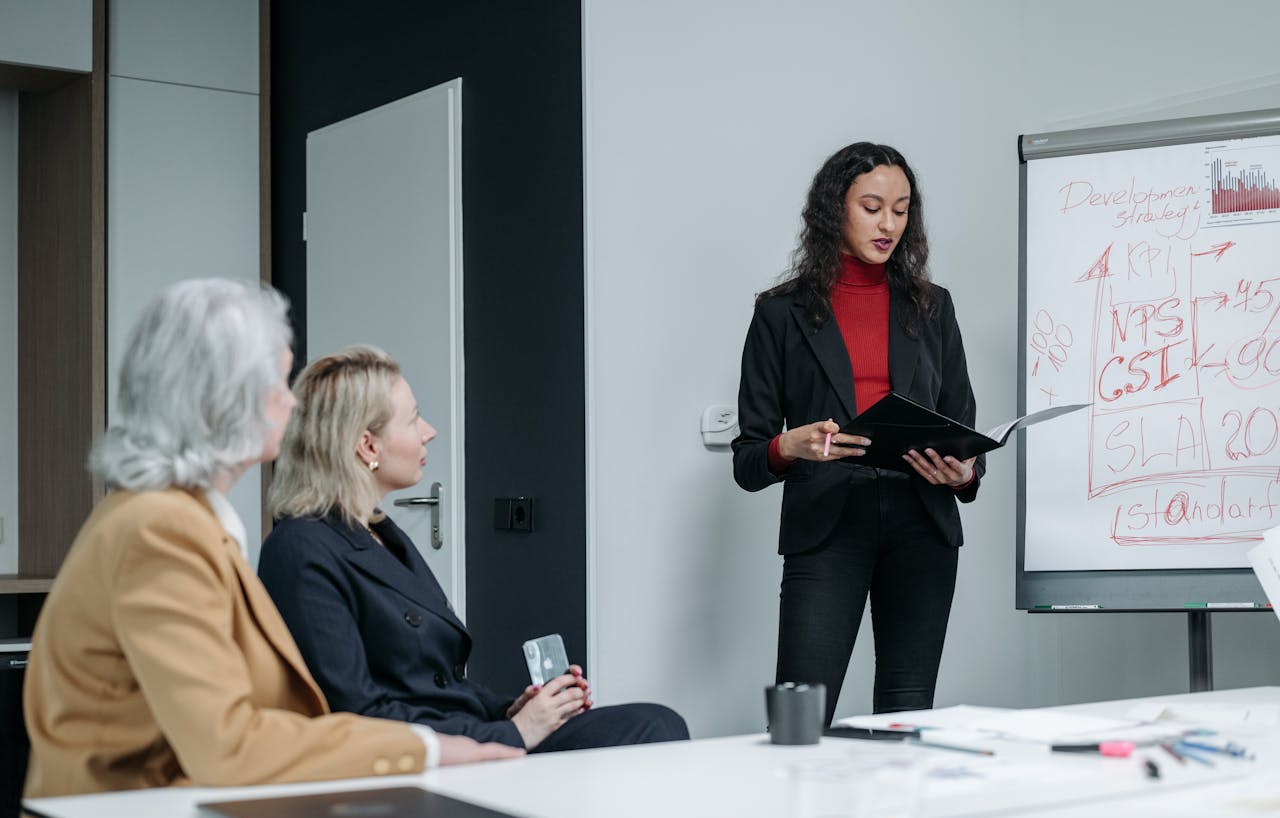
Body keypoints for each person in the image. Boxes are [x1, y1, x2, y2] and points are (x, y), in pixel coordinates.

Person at [20, 280, 519, 818]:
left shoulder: (184, 519)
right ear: (224, 397)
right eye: (279, 383)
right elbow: (227, 744)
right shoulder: (159, 531)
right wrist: (431, 749)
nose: (291, 401)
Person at [258, 345, 689, 752]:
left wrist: (510, 709)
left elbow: (438, 683)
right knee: (652, 728)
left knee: (657, 723)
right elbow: (357, 715)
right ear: (368, 445)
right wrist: (512, 733)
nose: (429, 432)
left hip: (475, 736)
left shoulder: (382, 534)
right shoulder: (300, 549)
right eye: (413, 420)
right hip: (428, 759)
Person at [732, 143, 984, 725]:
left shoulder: (933, 308)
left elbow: (961, 424)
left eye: (901, 210)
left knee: (906, 715)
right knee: (800, 721)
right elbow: (748, 460)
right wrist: (787, 446)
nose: (889, 224)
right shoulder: (780, 313)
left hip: (922, 521)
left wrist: (965, 471)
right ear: (834, 210)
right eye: (872, 207)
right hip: (827, 520)